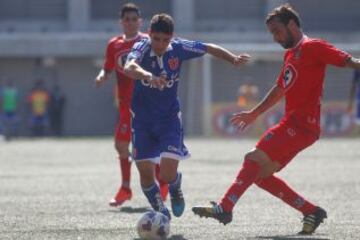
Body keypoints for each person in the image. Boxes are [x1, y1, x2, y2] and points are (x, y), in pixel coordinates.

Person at [192, 4, 360, 235]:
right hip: (296, 126)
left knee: (252, 158)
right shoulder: (291, 53)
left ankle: (225, 207)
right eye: (272, 33)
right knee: (260, 175)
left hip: (302, 126)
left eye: (277, 30)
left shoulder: (314, 47)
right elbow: (280, 88)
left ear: (292, 24)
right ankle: (311, 211)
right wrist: (254, 114)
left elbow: (350, 61)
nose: (275, 37)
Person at [124, 13, 250, 220]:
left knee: (166, 174)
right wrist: (148, 76)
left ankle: (175, 187)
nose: (161, 44)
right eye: (156, 39)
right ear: (149, 34)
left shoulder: (179, 48)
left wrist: (233, 59)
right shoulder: (141, 47)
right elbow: (129, 67)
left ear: (171, 38)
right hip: (142, 121)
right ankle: (160, 211)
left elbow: (208, 47)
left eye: (165, 40)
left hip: (169, 120)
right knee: (146, 174)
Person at [94, 3, 168, 207]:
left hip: (147, 103)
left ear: (140, 22)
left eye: (134, 19)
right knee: (121, 145)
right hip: (126, 105)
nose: (131, 22)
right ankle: (125, 188)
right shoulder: (114, 44)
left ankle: (162, 183)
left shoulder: (147, 41)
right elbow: (108, 68)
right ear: (121, 22)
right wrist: (101, 77)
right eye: (127, 19)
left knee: (149, 146)